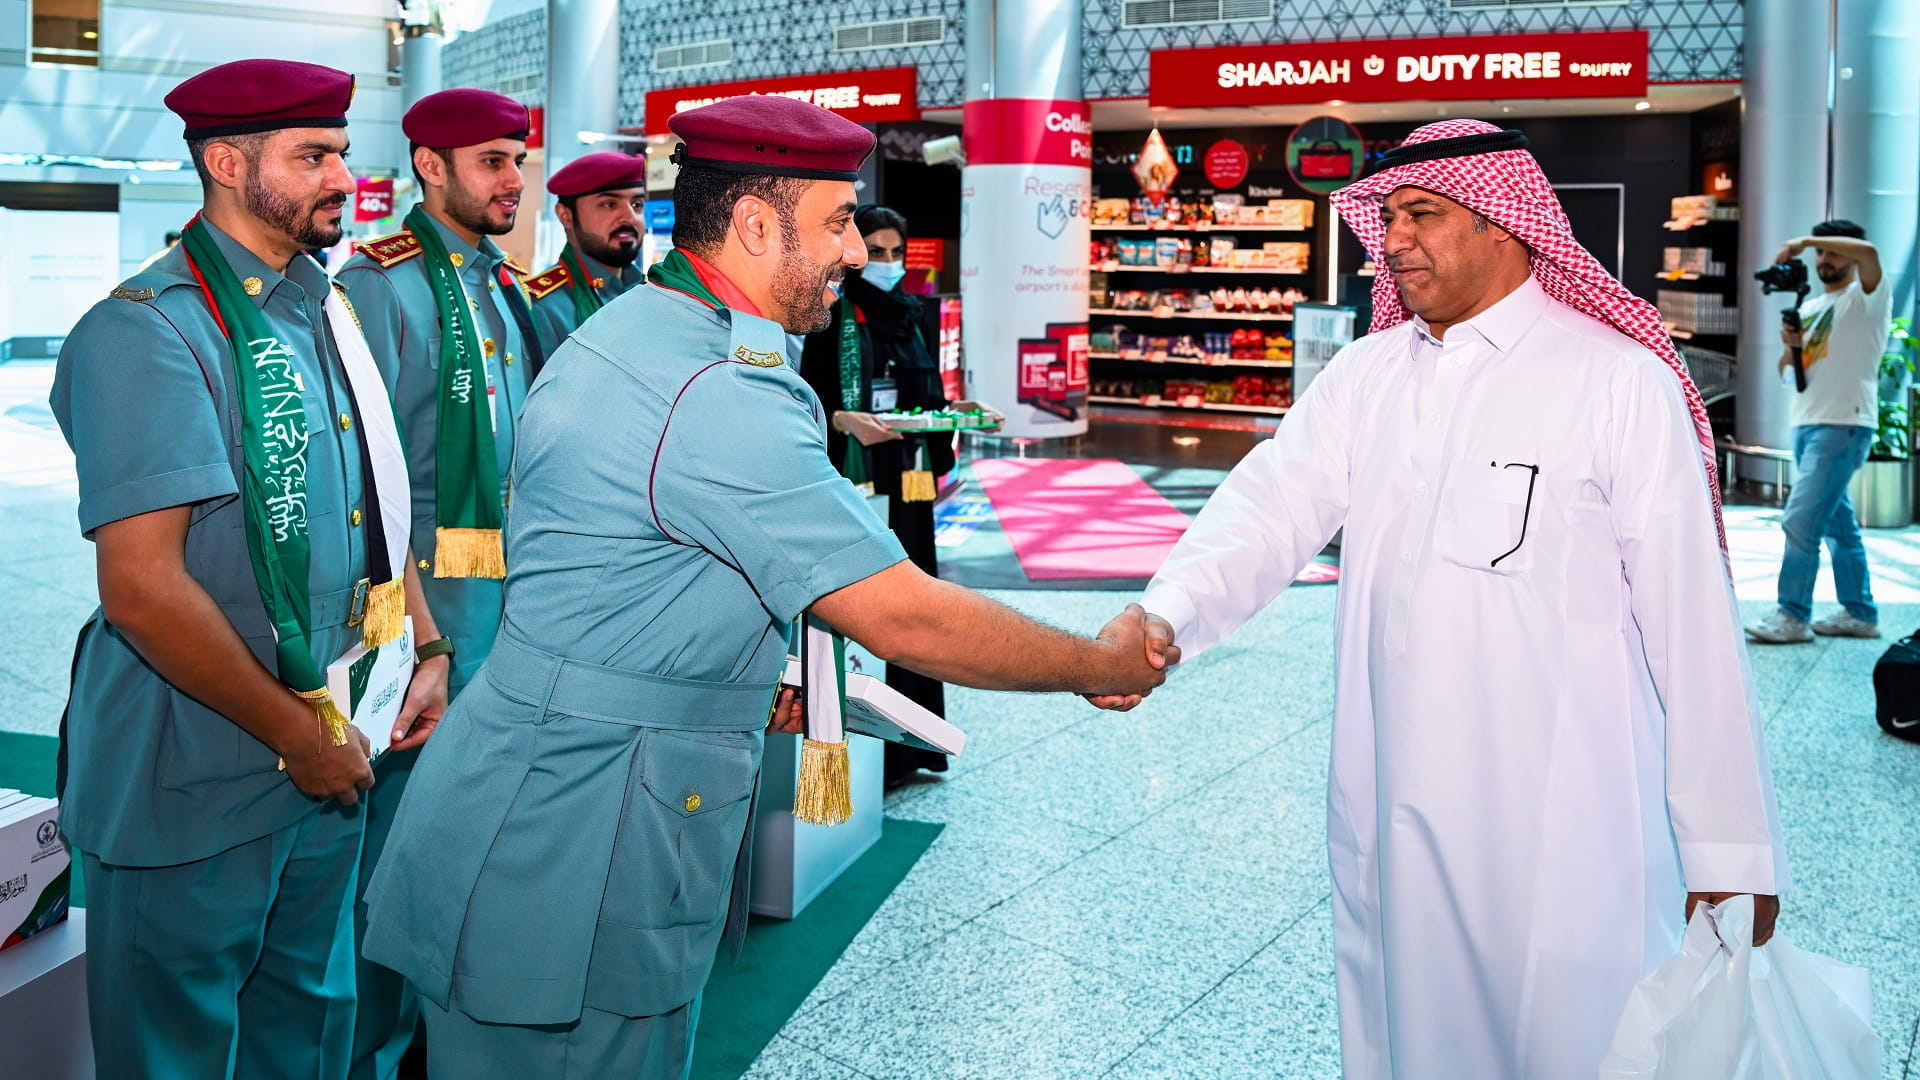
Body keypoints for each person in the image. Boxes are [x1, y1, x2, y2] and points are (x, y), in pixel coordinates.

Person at [361, 94, 1172, 1078]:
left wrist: (730, 675)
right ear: (753, 224)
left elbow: (630, 576)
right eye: (837, 222)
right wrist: (1097, 662)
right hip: (576, 842)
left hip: (542, 807)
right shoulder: (717, 389)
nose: (853, 252)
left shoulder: (647, 327)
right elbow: (902, 615)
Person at [1120, 120, 1786, 1080]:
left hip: (1566, 811)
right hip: (1392, 792)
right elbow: (1269, 505)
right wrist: (1167, 613)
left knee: (1574, 1036)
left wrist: (1730, 849)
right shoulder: (1368, 375)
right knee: (1410, 1027)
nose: (1392, 241)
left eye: (1421, 215)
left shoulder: (1616, 382)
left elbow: (1695, 628)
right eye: (1387, 217)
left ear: (1503, 222)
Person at [47, 59, 448, 1079]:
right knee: (174, 1051)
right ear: (228, 165)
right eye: (312, 157)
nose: (342, 177)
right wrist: (300, 736)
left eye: (342, 154)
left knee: (305, 1033)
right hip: (198, 772)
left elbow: (375, 497)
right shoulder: (148, 331)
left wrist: (428, 644)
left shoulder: (320, 309)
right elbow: (143, 590)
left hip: (329, 753)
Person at [333, 86, 549, 1080]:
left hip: (503, 618)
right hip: (416, 623)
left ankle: (431, 1035)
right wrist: (416, 639)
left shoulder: (501, 285)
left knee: (466, 845)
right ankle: (367, 1053)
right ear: (431, 166)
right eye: (493, 161)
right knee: (392, 855)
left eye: (518, 162)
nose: (514, 182)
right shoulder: (382, 285)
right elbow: (360, 480)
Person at [799, 203, 1001, 787]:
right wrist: (842, 420)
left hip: (907, 480)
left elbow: (925, 398)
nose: (888, 263)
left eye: (897, 252)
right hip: (856, 477)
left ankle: (912, 750)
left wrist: (956, 411)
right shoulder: (829, 313)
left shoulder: (914, 315)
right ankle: (866, 758)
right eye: (878, 251)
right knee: (869, 607)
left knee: (916, 604)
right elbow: (806, 399)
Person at [1745, 221, 1888, 644]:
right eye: (1820, 253)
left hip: (1844, 424)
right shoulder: (1810, 308)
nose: (1824, 259)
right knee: (1838, 527)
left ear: (1850, 254)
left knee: (1800, 520)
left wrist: (1804, 241)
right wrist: (1790, 345)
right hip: (1807, 423)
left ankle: (1792, 614)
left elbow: (1870, 254)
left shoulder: (1866, 299)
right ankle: (1860, 613)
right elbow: (1788, 372)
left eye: (1833, 251)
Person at [526, 150, 648, 343]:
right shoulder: (542, 306)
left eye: (637, 204)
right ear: (566, 216)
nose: (630, 217)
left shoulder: (648, 292)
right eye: (609, 204)